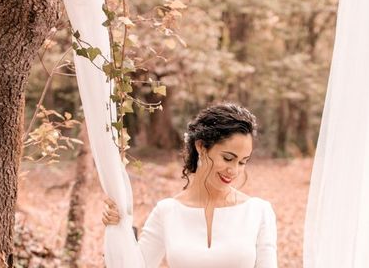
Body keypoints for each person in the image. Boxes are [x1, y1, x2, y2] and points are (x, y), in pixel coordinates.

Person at [102, 102, 278, 268]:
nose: (234, 170)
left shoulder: (258, 211)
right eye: (228, 158)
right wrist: (118, 228)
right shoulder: (167, 211)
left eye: (242, 162)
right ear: (201, 147)